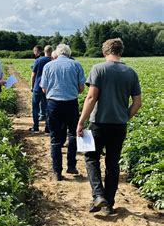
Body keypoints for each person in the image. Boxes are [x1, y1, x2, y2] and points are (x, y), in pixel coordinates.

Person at [77, 38, 142, 215]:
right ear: (121, 51)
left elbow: (91, 97)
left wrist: (81, 121)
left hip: (98, 123)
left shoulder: (99, 69)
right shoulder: (131, 72)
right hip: (119, 125)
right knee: (112, 163)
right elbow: (137, 103)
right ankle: (109, 204)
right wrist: (125, 117)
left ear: (105, 51)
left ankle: (98, 195)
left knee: (91, 158)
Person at [41, 44, 86, 181]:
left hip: (53, 104)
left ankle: (57, 171)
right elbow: (81, 88)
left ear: (57, 53)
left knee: (55, 138)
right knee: (73, 134)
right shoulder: (76, 65)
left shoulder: (48, 66)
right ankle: (71, 165)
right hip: (71, 103)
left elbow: (44, 88)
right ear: (68, 53)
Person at [30, 45, 52, 132]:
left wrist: (32, 86)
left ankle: (36, 127)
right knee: (47, 108)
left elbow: (33, 75)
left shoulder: (38, 60)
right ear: (51, 51)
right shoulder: (53, 61)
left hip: (37, 87)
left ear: (44, 51)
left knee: (35, 107)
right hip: (48, 88)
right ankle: (47, 128)